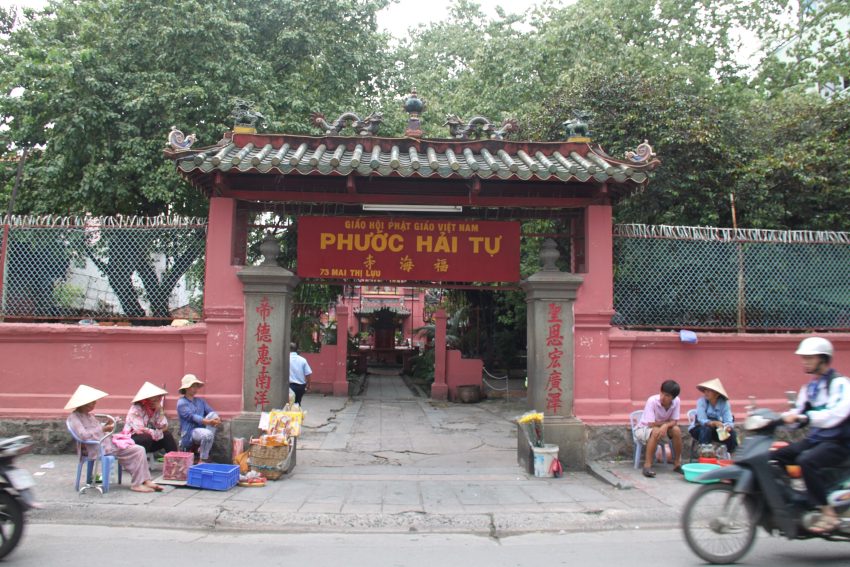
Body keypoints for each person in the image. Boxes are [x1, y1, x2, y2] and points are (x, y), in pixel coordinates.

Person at [773, 336, 850, 534]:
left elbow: (836, 414)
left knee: (806, 461)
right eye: (803, 357)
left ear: (823, 359)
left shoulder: (840, 384)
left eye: (810, 357)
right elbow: (797, 412)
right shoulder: (810, 388)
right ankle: (799, 500)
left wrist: (806, 418)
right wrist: (774, 419)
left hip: (839, 441)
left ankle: (828, 513)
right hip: (818, 440)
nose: (805, 361)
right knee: (776, 456)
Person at [65, 384, 162, 493]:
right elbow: (83, 435)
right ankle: (137, 484)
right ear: (83, 403)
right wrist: (103, 428)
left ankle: (145, 480)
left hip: (108, 444)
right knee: (137, 450)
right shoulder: (74, 418)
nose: (94, 405)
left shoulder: (89, 415)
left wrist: (108, 425)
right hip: (96, 448)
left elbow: (98, 429)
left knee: (138, 449)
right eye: (92, 403)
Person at [634, 379, 684, 478]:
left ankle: (677, 463)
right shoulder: (652, 401)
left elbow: (674, 421)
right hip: (643, 428)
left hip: (662, 429)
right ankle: (647, 466)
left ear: (673, 398)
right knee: (655, 431)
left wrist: (665, 426)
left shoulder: (677, 401)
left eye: (667, 396)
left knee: (676, 430)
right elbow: (651, 424)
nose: (662, 397)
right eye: (662, 393)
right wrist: (666, 424)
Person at [123, 381, 178, 457]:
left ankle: (176, 461)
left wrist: (160, 410)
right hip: (131, 440)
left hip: (147, 439)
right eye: (153, 400)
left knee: (167, 435)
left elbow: (164, 427)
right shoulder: (136, 409)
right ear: (145, 400)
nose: (155, 403)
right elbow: (140, 430)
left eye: (157, 400)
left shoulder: (154, 409)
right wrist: (159, 432)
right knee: (146, 438)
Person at [176, 374, 220, 463]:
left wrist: (217, 419)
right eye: (193, 386)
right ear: (187, 388)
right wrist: (207, 422)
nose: (196, 388)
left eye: (196, 386)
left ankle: (203, 450)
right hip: (190, 432)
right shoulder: (181, 403)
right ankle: (203, 459)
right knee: (208, 435)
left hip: (202, 429)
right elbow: (192, 417)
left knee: (213, 415)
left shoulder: (200, 401)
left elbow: (211, 411)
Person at [689, 378, 738, 455]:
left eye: (709, 391)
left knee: (732, 433)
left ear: (717, 393)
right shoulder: (701, 402)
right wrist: (714, 423)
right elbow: (702, 420)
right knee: (706, 429)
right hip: (699, 429)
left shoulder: (724, 403)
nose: (706, 393)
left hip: (716, 431)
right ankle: (704, 453)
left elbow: (728, 420)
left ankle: (732, 455)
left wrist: (727, 427)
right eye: (705, 390)